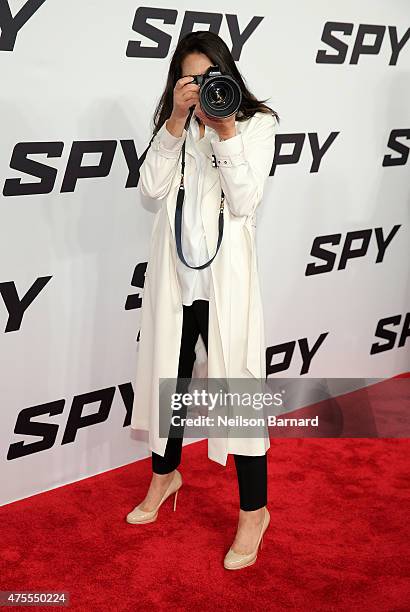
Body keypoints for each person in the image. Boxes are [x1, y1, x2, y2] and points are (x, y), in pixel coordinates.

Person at [127, 31, 279, 570]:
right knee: (172, 382)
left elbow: (244, 202)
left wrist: (225, 131)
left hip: (225, 285)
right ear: (177, 83)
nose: (199, 87)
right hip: (178, 281)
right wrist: (174, 123)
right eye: (188, 79)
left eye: (208, 75)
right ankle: (165, 475)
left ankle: (253, 511)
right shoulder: (176, 126)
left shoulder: (258, 124)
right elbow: (149, 189)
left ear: (227, 73)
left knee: (238, 391)